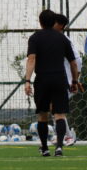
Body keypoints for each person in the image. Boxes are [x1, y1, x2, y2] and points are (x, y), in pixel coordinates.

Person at [24, 9, 82, 157]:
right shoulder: (63, 39)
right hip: (59, 79)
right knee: (59, 114)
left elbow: (31, 59)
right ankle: (59, 147)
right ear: (54, 22)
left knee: (42, 115)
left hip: (42, 80)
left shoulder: (35, 38)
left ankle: (44, 148)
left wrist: (27, 80)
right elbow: (74, 63)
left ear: (40, 22)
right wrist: (75, 81)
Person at [53, 13, 82, 146]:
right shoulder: (55, 39)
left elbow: (77, 60)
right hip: (59, 79)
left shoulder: (63, 40)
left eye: (53, 22)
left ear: (60, 25)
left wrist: (75, 79)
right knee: (54, 107)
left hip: (66, 81)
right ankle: (63, 135)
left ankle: (68, 136)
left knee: (56, 107)